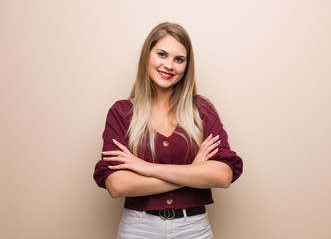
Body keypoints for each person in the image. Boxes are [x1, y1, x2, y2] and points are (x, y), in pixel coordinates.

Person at [93, 22, 243, 239]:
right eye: (162, 54)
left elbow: (223, 175)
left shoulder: (202, 110)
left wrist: (146, 168)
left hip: (194, 229)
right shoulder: (121, 113)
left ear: (186, 66)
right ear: (147, 55)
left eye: (179, 59)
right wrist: (193, 171)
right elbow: (116, 185)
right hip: (138, 229)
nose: (169, 65)